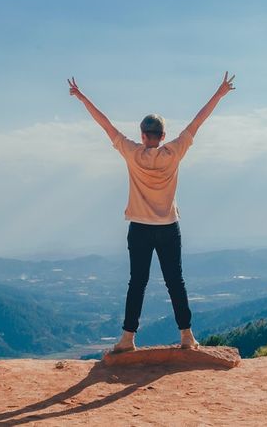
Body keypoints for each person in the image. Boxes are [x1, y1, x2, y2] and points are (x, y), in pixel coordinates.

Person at [68, 72, 236, 352]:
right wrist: (219, 93)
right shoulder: (174, 152)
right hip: (169, 226)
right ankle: (186, 337)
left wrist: (83, 97)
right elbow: (197, 122)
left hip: (140, 228)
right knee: (175, 282)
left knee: (137, 283)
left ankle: (127, 339)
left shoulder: (132, 153)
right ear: (163, 136)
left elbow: (105, 125)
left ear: (143, 135)